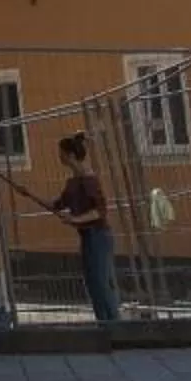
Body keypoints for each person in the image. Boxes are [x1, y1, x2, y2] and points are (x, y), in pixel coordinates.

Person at [52, 131, 118, 322]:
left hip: (99, 235)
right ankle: (103, 323)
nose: (59, 157)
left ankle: (113, 325)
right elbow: (59, 203)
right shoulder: (72, 182)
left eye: (61, 153)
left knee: (101, 282)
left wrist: (74, 220)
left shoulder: (89, 180)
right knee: (92, 282)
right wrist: (29, 194)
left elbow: (99, 212)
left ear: (70, 155)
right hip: (87, 237)